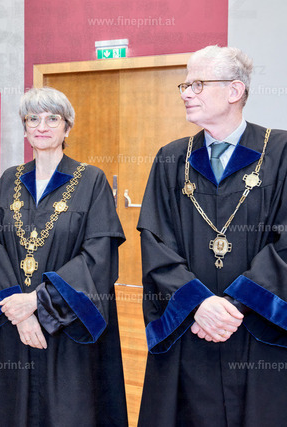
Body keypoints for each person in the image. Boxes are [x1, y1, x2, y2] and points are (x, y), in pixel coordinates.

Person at [137, 45, 287, 426]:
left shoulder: (281, 153)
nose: (186, 93)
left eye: (198, 84)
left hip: (257, 332)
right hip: (192, 329)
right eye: (185, 85)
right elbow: (156, 242)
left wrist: (234, 305)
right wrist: (200, 304)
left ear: (235, 91)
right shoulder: (171, 159)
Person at [0, 87, 128, 426]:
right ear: (25, 127)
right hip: (15, 323)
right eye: (33, 119)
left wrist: (39, 302)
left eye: (52, 118)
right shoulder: (9, 180)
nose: (42, 126)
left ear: (67, 127)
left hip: (69, 322)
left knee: (69, 409)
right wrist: (20, 312)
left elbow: (98, 255)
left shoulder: (91, 181)